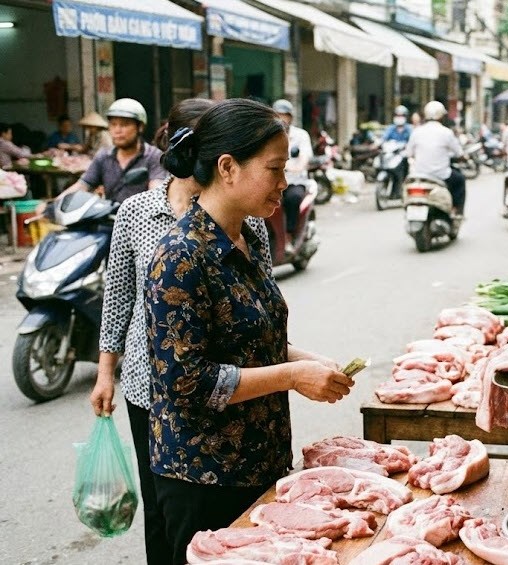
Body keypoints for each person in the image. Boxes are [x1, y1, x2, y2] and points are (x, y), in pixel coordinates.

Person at [143, 98, 355, 564]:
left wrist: (308, 361)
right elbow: (187, 383)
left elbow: (254, 338)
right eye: (274, 168)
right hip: (204, 479)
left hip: (258, 464)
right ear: (227, 167)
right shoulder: (181, 256)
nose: (284, 183)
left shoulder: (247, 238)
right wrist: (292, 377)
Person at [90, 98, 227, 565]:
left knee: (215, 509)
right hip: (148, 390)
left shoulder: (245, 218)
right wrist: (106, 372)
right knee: (162, 508)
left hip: (222, 387)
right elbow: (118, 299)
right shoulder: (135, 213)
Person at [60, 98, 166, 202]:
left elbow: (156, 192)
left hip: (143, 217)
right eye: (113, 124)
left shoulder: (154, 156)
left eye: (124, 124)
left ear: (140, 127)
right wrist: (52, 204)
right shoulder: (103, 155)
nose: (117, 130)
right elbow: (83, 184)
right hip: (110, 216)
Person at [405, 100, 466, 215]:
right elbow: (459, 153)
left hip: (419, 174)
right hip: (441, 175)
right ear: (441, 116)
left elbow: (409, 153)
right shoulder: (446, 132)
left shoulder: (417, 132)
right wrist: (464, 157)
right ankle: (455, 212)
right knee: (460, 180)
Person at [273, 99, 312, 237]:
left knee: (292, 199)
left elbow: (304, 159)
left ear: (290, 117)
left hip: (294, 181)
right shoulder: (268, 136)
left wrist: (294, 167)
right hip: (272, 182)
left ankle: (290, 235)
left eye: (284, 115)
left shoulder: (301, 135)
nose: (281, 119)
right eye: (277, 115)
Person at [379, 105, 412, 196]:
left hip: (404, 154)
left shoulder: (409, 129)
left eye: (401, 116)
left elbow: (412, 141)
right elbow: (383, 138)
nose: (399, 118)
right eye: (397, 115)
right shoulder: (391, 128)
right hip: (392, 154)